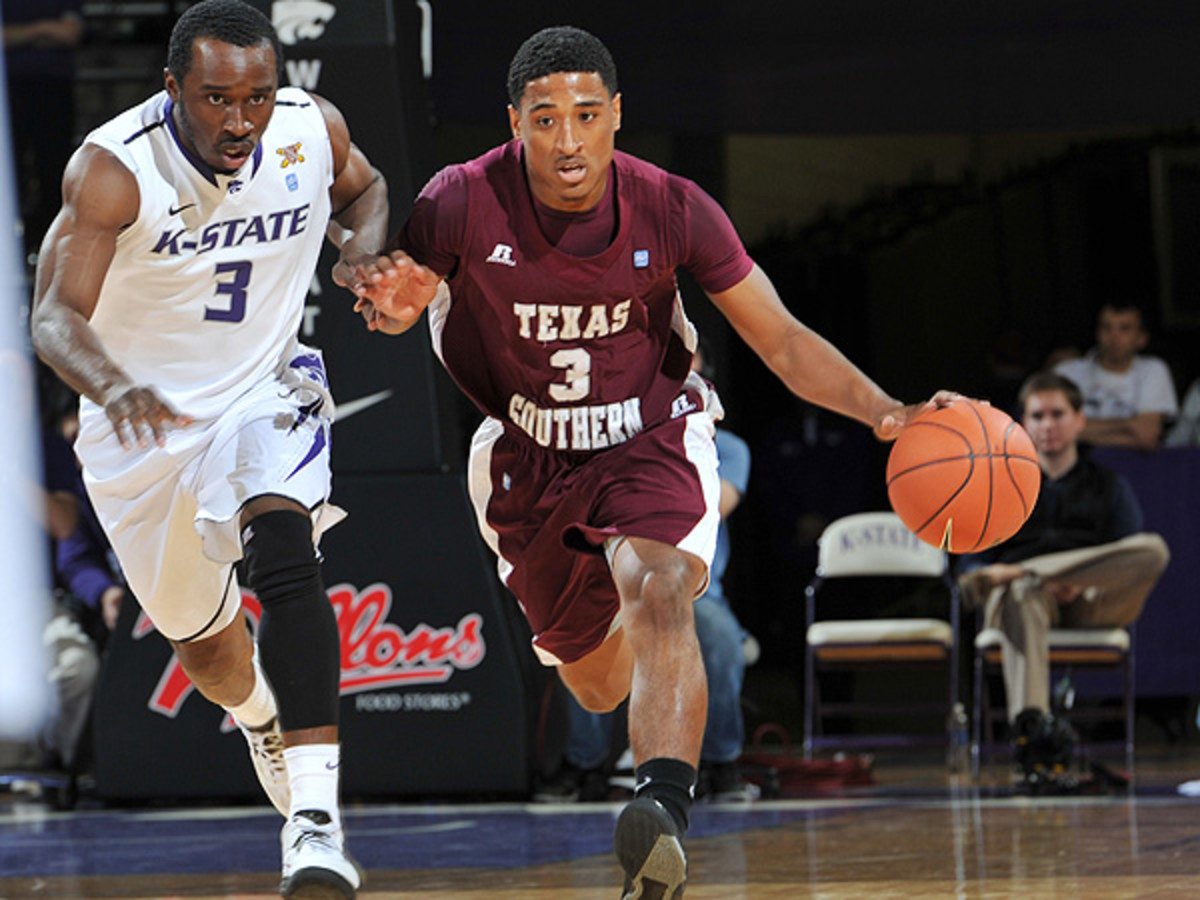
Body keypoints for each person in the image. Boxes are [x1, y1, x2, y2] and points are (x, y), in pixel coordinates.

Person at [346, 25, 957, 899]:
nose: (568, 139)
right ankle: (643, 675)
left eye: (587, 115)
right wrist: (394, 304)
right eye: (546, 117)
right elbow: (403, 305)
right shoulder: (459, 201)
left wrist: (886, 411)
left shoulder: (672, 207)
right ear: (513, 121)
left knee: (664, 588)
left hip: (650, 434)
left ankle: (662, 809)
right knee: (596, 688)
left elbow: (779, 338)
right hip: (528, 454)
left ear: (616, 116)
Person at [28, 2, 388, 896]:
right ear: (173, 89)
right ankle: (263, 718)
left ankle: (314, 825)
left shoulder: (311, 128)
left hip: (264, 387)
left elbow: (368, 192)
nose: (240, 120)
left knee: (284, 545)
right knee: (210, 654)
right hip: (141, 426)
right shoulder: (115, 169)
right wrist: (112, 387)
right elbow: (52, 316)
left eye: (257, 96)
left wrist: (364, 256)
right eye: (217, 98)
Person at [543, 339, 759, 805]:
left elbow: (710, 505)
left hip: (697, 591)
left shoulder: (730, 447)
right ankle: (584, 767)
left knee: (716, 633)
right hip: (614, 584)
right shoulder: (612, 435)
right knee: (577, 637)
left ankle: (722, 763)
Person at [957, 372, 1169, 782]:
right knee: (1021, 591)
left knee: (1154, 549)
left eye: (1058, 414)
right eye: (1038, 415)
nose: (1048, 424)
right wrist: (1026, 580)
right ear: (1023, 422)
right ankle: (1034, 745)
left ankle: (1025, 570)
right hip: (1024, 604)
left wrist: (1078, 580)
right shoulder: (998, 485)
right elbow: (971, 571)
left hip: (1091, 598)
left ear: (1079, 420)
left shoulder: (1108, 484)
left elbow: (1126, 556)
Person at [3, 0, 85, 261]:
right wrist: (43, 31)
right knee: (9, 171)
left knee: (54, 169)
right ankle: (13, 245)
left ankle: (50, 248)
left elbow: (69, 34)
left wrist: (18, 35)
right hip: (8, 92)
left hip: (53, 89)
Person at [1052, 303, 1178, 450]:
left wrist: (1074, 430)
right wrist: (1130, 424)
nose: (1114, 337)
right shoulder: (1066, 372)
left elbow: (1147, 436)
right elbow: (1052, 429)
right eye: (1107, 327)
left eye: (1124, 329)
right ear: (1097, 332)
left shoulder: (1153, 369)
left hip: (1135, 469)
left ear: (1142, 338)